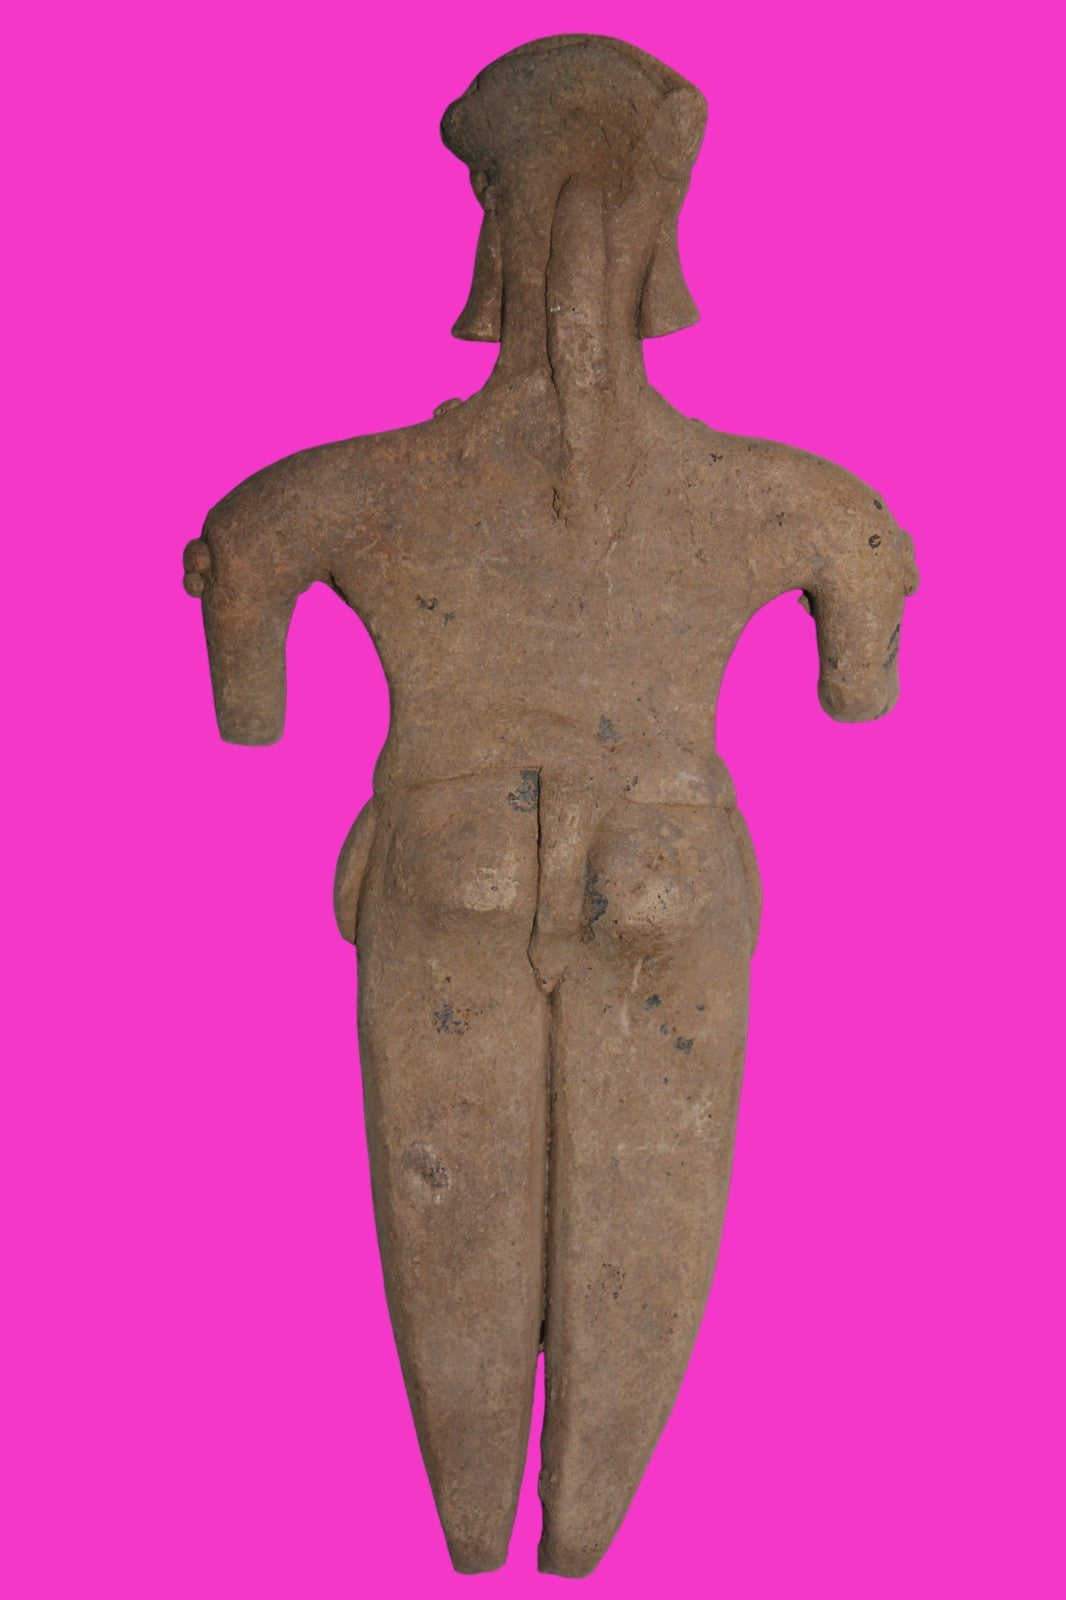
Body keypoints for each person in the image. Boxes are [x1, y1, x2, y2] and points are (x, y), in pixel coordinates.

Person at [183, 34, 918, 1577]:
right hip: (667, 848)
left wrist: (251, 691)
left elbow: (244, 579)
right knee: (642, 1216)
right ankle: (580, 1529)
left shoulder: (353, 492)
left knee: (447, 1207)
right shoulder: (791, 500)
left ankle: (476, 1525)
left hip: (443, 847)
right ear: (670, 208)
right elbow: (860, 647)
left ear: (488, 210)